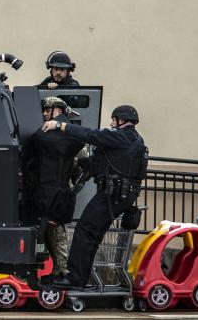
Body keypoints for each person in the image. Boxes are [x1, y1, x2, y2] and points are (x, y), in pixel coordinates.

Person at [41, 105, 146, 290]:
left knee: (84, 231)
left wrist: (59, 125)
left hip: (111, 196)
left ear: (122, 120)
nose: (112, 123)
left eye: (114, 119)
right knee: (92, 236)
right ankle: (80, 278)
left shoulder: (121, 136)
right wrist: (79, 162)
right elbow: (105, 162)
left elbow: (91, 134)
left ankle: (74, 279)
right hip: (119, 196)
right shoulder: (134, 139)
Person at [31, 97, 84, 281]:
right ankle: (58, 270)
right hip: (57, 188)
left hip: (57, 189)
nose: (45, 113)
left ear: (58, 111)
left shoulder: (55, 131)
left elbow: (81, 160)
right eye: (44, 110)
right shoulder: (68, 132)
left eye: (48, 110)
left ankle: (63, 271)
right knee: (50, 230)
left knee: (56, 230)